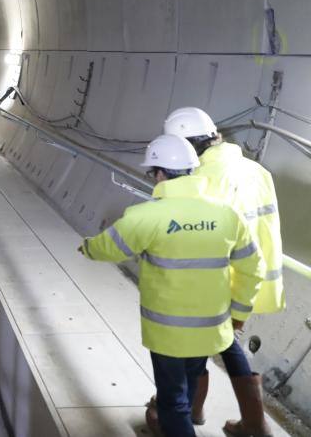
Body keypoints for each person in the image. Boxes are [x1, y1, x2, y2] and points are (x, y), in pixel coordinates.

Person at [78, 134, 265, 437]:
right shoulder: (228, 216)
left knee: (172, 403)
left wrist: (86, 248)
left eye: (153, 173)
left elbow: (107, 247)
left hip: (168, 334)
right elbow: (252, 267)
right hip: (208, 329)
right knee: (188, 387)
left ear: (161, 174)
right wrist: (239, 312)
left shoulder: (146, 216)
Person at [164, 107, 282, 436]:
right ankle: (250, 422)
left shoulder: (202, 178)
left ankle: (184, 412)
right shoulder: (257, 171)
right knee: (224, 344)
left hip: (214, 278)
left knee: (194, 346)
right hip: (249, 278)